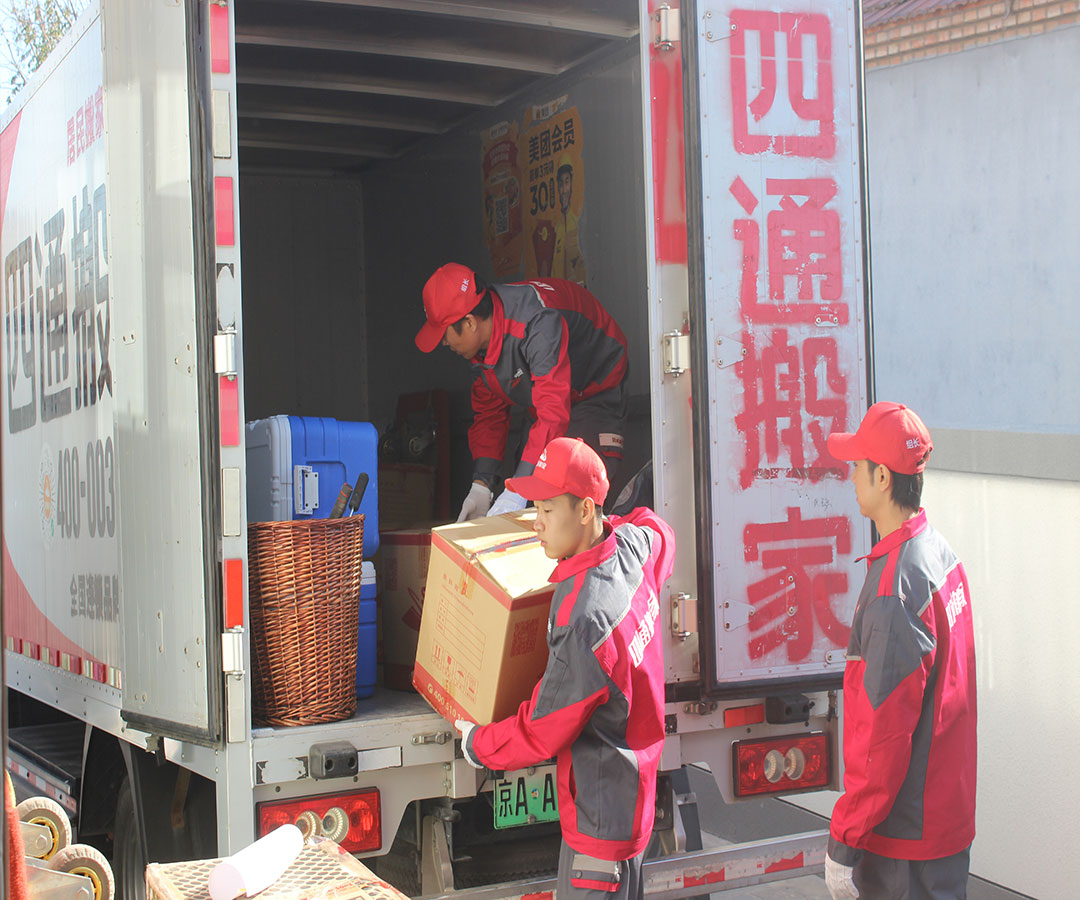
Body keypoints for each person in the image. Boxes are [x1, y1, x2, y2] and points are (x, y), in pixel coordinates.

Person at [452, 436, 675, 900]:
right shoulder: (633, 547)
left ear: (586, 510)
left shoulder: (584, 617)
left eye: (548, 510)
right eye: (536, 508)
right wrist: (618, 522)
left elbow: (543, 728)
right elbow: (659, 530)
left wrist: (478, 744)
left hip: (598, 827)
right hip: (633, 805)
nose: (536, 523)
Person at [824, 402, 977, 900]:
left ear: (883, 477)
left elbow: (883, 735)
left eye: (857, 465)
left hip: (904, 840)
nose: (851, 476)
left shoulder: (894, 588)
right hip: (944, 818)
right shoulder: (938, 553)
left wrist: (845, 840)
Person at [414, 262, 629, 521]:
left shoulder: (536, 322)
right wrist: (482, 484)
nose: (443, 343)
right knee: (531, 493)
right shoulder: (480, 351)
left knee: (579, 496)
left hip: (592, 388)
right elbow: (489, 416)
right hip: (544, 399)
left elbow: (553, 411)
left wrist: (519, 488)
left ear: (469, 323)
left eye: (443, 334)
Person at [553, 154, 587, 284]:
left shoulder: (577, 225)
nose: (564, 190)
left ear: (572, 184)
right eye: (561, 184)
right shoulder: (556, 230)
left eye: (567, 182)